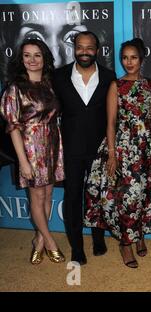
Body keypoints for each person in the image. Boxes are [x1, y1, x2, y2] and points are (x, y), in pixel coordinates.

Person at [84, 38, 151, 268]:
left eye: (133, 57)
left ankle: (140, 235)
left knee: (145, 194)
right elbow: (111, 122)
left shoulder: (149, 83)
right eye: (124, 58)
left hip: (147, 148)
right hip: (125, 148)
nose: (128, 62)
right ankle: (126, 244)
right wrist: (113, 156)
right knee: (128, 198)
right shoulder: (116, 85)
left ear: (141, 59)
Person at [53, 31, 116, 265]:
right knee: (72, 199)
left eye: (90, 47)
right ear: (74, 48)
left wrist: (111, 150)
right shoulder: (58, 77)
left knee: (99, 197)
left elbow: (112, 116)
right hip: (71, 149)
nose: (85, 52)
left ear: (97, 51)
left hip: (99, 149)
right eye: (80, 47)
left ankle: (98, 238)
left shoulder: (110, 77)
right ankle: (76, 248)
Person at [0, 39, 65, 264]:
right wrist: (23, 162)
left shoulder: (51, 83)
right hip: (30, 148)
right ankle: (49, 240)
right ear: (21, 59)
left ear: (44, 57)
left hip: (53, 144)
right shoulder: (15, 89)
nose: (32, 60)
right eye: (27, 55)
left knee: (47, 194)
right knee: (36, 196)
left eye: (37, 55)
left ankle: (37, 239)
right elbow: (13, 128)